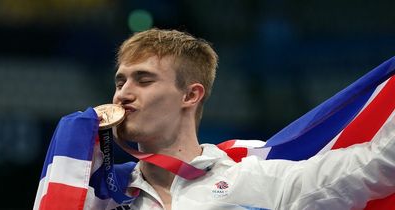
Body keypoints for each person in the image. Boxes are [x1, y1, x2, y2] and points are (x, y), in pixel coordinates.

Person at [84, 28, 395, 210]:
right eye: (120, 81)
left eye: (144, 79)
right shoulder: (103, 196)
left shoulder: (258, 181)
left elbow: (379, 162)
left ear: (190, 95)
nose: (123, 94)